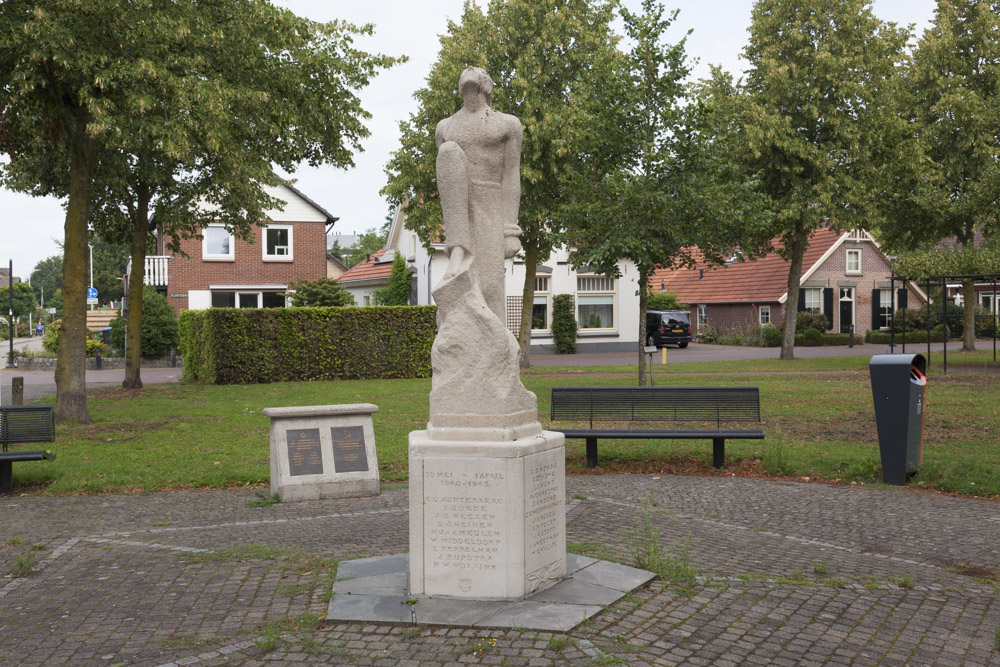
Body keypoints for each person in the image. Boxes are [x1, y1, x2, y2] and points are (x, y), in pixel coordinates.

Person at [434, 66, 523, 322]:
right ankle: (458, 249)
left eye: (477, 72)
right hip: (460, 206)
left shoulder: (507, 125)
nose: (470, 71)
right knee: (448, 151)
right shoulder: (445, 128)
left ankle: (497, 355)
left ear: (487, 86)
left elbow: (510, 176)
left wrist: (510, 231)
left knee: (491, 286)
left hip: (491, 203)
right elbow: (447, 179)